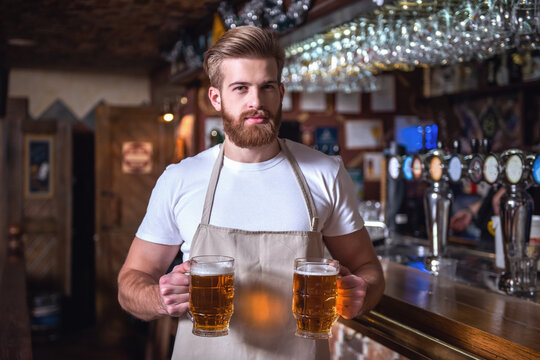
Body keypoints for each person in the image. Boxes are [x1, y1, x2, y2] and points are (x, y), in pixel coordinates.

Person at [117, 26, 385, 360]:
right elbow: (130, 282)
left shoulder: (325, 173)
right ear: (216, 97)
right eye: (241, 88)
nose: (256, 102)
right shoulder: (180, 179)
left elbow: (367, 268)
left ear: (281, 92)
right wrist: (158, 298)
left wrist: (363, 293)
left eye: (267, 87)